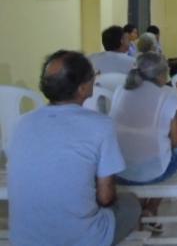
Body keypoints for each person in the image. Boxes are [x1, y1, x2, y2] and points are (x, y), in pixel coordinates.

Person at [7, 50, 140, 246]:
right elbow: (106, 198)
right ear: (82, 88)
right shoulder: (100, 126)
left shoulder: (21, 123)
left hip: (23, 239)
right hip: (80, 239)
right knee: (131, 204)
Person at [110, 52, 177, 232]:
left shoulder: (120, 90)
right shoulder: (170, 95)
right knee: (175, 151)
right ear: (162, 75)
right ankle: (150, 209)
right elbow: (176, 140)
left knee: (144, 152)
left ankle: (139, 210)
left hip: (119, 170)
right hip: (154, 172)